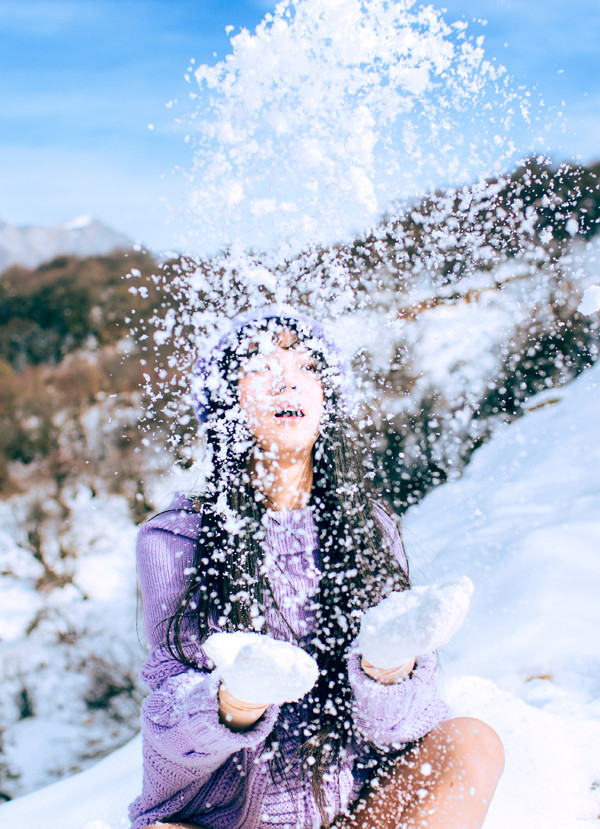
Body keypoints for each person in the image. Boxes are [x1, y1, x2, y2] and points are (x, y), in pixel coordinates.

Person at [129, 307, 504, 829]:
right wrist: (235, 698)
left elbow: (410, 723)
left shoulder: (370, 525)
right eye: (261, 368)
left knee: (472, 743)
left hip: (358, 813)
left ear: (328, 400)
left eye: (309, 368)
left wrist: (389, 668)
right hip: (231, 820)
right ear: (225, 403)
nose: (289, 382)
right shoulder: (177, 538)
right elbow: (167, 731)